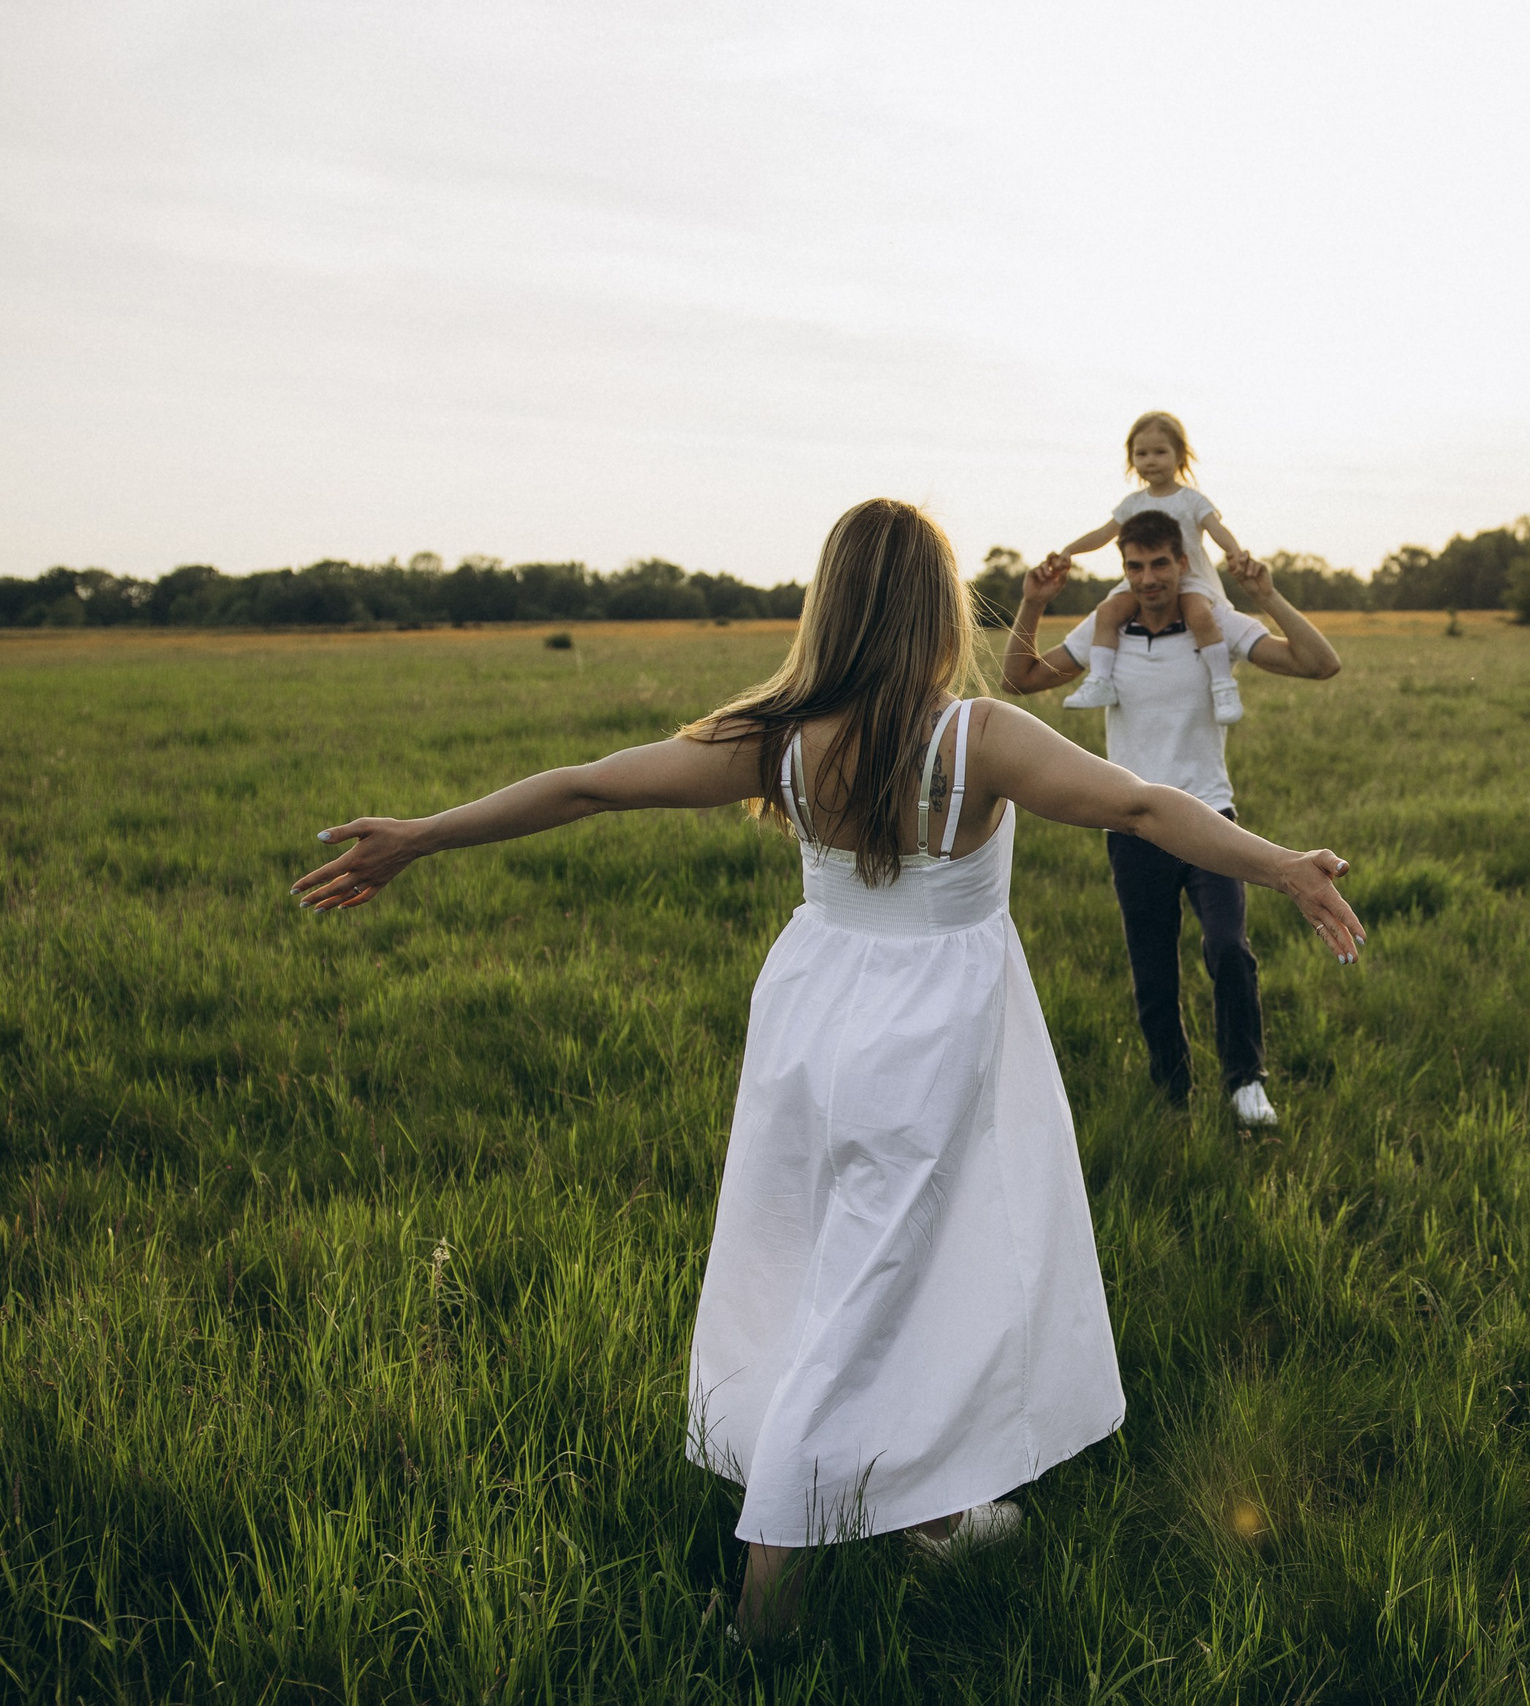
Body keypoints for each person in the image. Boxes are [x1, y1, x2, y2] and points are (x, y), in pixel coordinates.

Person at [288, 499, 1364, 1647]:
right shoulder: (977, 737)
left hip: (815, 1019)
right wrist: (1283, 864)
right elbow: (1148, 804)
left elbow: (589, 783)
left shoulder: (780, 734)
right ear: (936, 607)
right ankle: (765, 1612)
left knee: (875, 1263)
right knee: (869, 1291)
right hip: (930, 1038)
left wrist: (424, 834)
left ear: (833, 602)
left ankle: (932, 1505)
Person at [1003, 506, 1344, 1127]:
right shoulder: (1106, 633)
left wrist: (1267, 595)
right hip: (1132, 828)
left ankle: (1246, 1084)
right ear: (1124, 568)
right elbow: (1019, 678)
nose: (1148, 577)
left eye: (1160, 563)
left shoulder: (1215, 622)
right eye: (1134, 566)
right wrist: (1032, 603)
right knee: (1152, 971)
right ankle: (1172, 1096)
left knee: (1228, 949)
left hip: (1211, 820)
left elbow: (1320, 663)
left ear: (1183, 562)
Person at [1045, 409, 1255, 726]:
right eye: (1141, 453)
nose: (1150, 460)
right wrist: (1069, 551)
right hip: (1144, 580)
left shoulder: (1192, 500)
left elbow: (1216, 530)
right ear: (1131, 459)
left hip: (1190, 578)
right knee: (1107, 611)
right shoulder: (1132, 504)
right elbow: (1103, 534)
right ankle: (1101, 681)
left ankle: (1223, 685)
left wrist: (1236, 553)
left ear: (1180, 455)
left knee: (1200, 614)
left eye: (1160, 452)